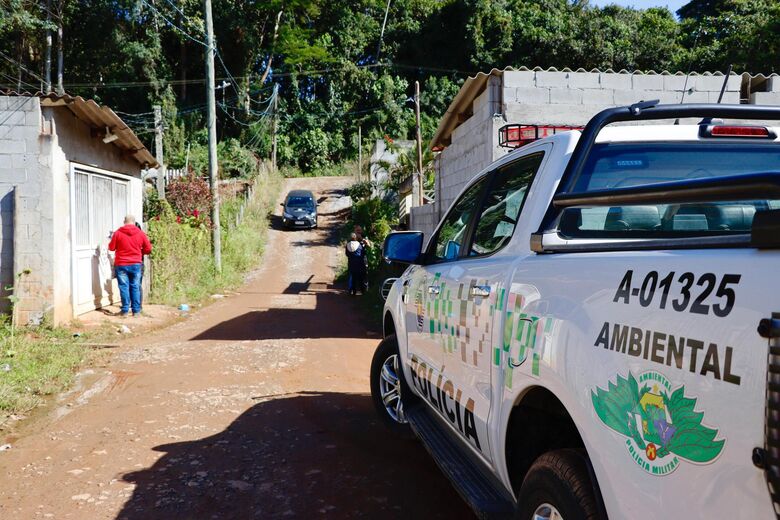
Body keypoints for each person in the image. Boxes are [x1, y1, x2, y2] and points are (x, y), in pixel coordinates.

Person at [108, 215, 152, 317]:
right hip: (136, 264)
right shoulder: (140, 233)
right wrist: (140, 253)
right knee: (135, 287)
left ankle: (125, 311)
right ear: (134, 222)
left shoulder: (117, 233)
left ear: (124, 221)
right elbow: (148, 249)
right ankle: (136, 311)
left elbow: (111, 247)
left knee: (124, 287)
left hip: (121, 264)